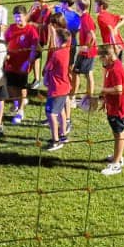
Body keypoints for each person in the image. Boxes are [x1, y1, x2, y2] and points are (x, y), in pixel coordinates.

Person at [42, 14, 74, 152]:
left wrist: (45, 78)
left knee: (51, 113)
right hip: (65, 86)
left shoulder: (56, 54)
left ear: (59, 39)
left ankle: (55, 140)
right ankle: (63, 134)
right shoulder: (66, 50)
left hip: (56, 88)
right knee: (61, 110)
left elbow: (47, 69)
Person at [99, 52, 124, 176]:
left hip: (118, 108)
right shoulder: (113, 66)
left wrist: (104, 90)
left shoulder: (115, 70)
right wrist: (105, 100)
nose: (101, 61)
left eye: (101, 58)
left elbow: (118, 89)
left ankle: (116, 164)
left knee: (119, 133)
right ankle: (118, 156)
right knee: (117, 132)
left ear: (107, 56)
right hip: (114, 106)